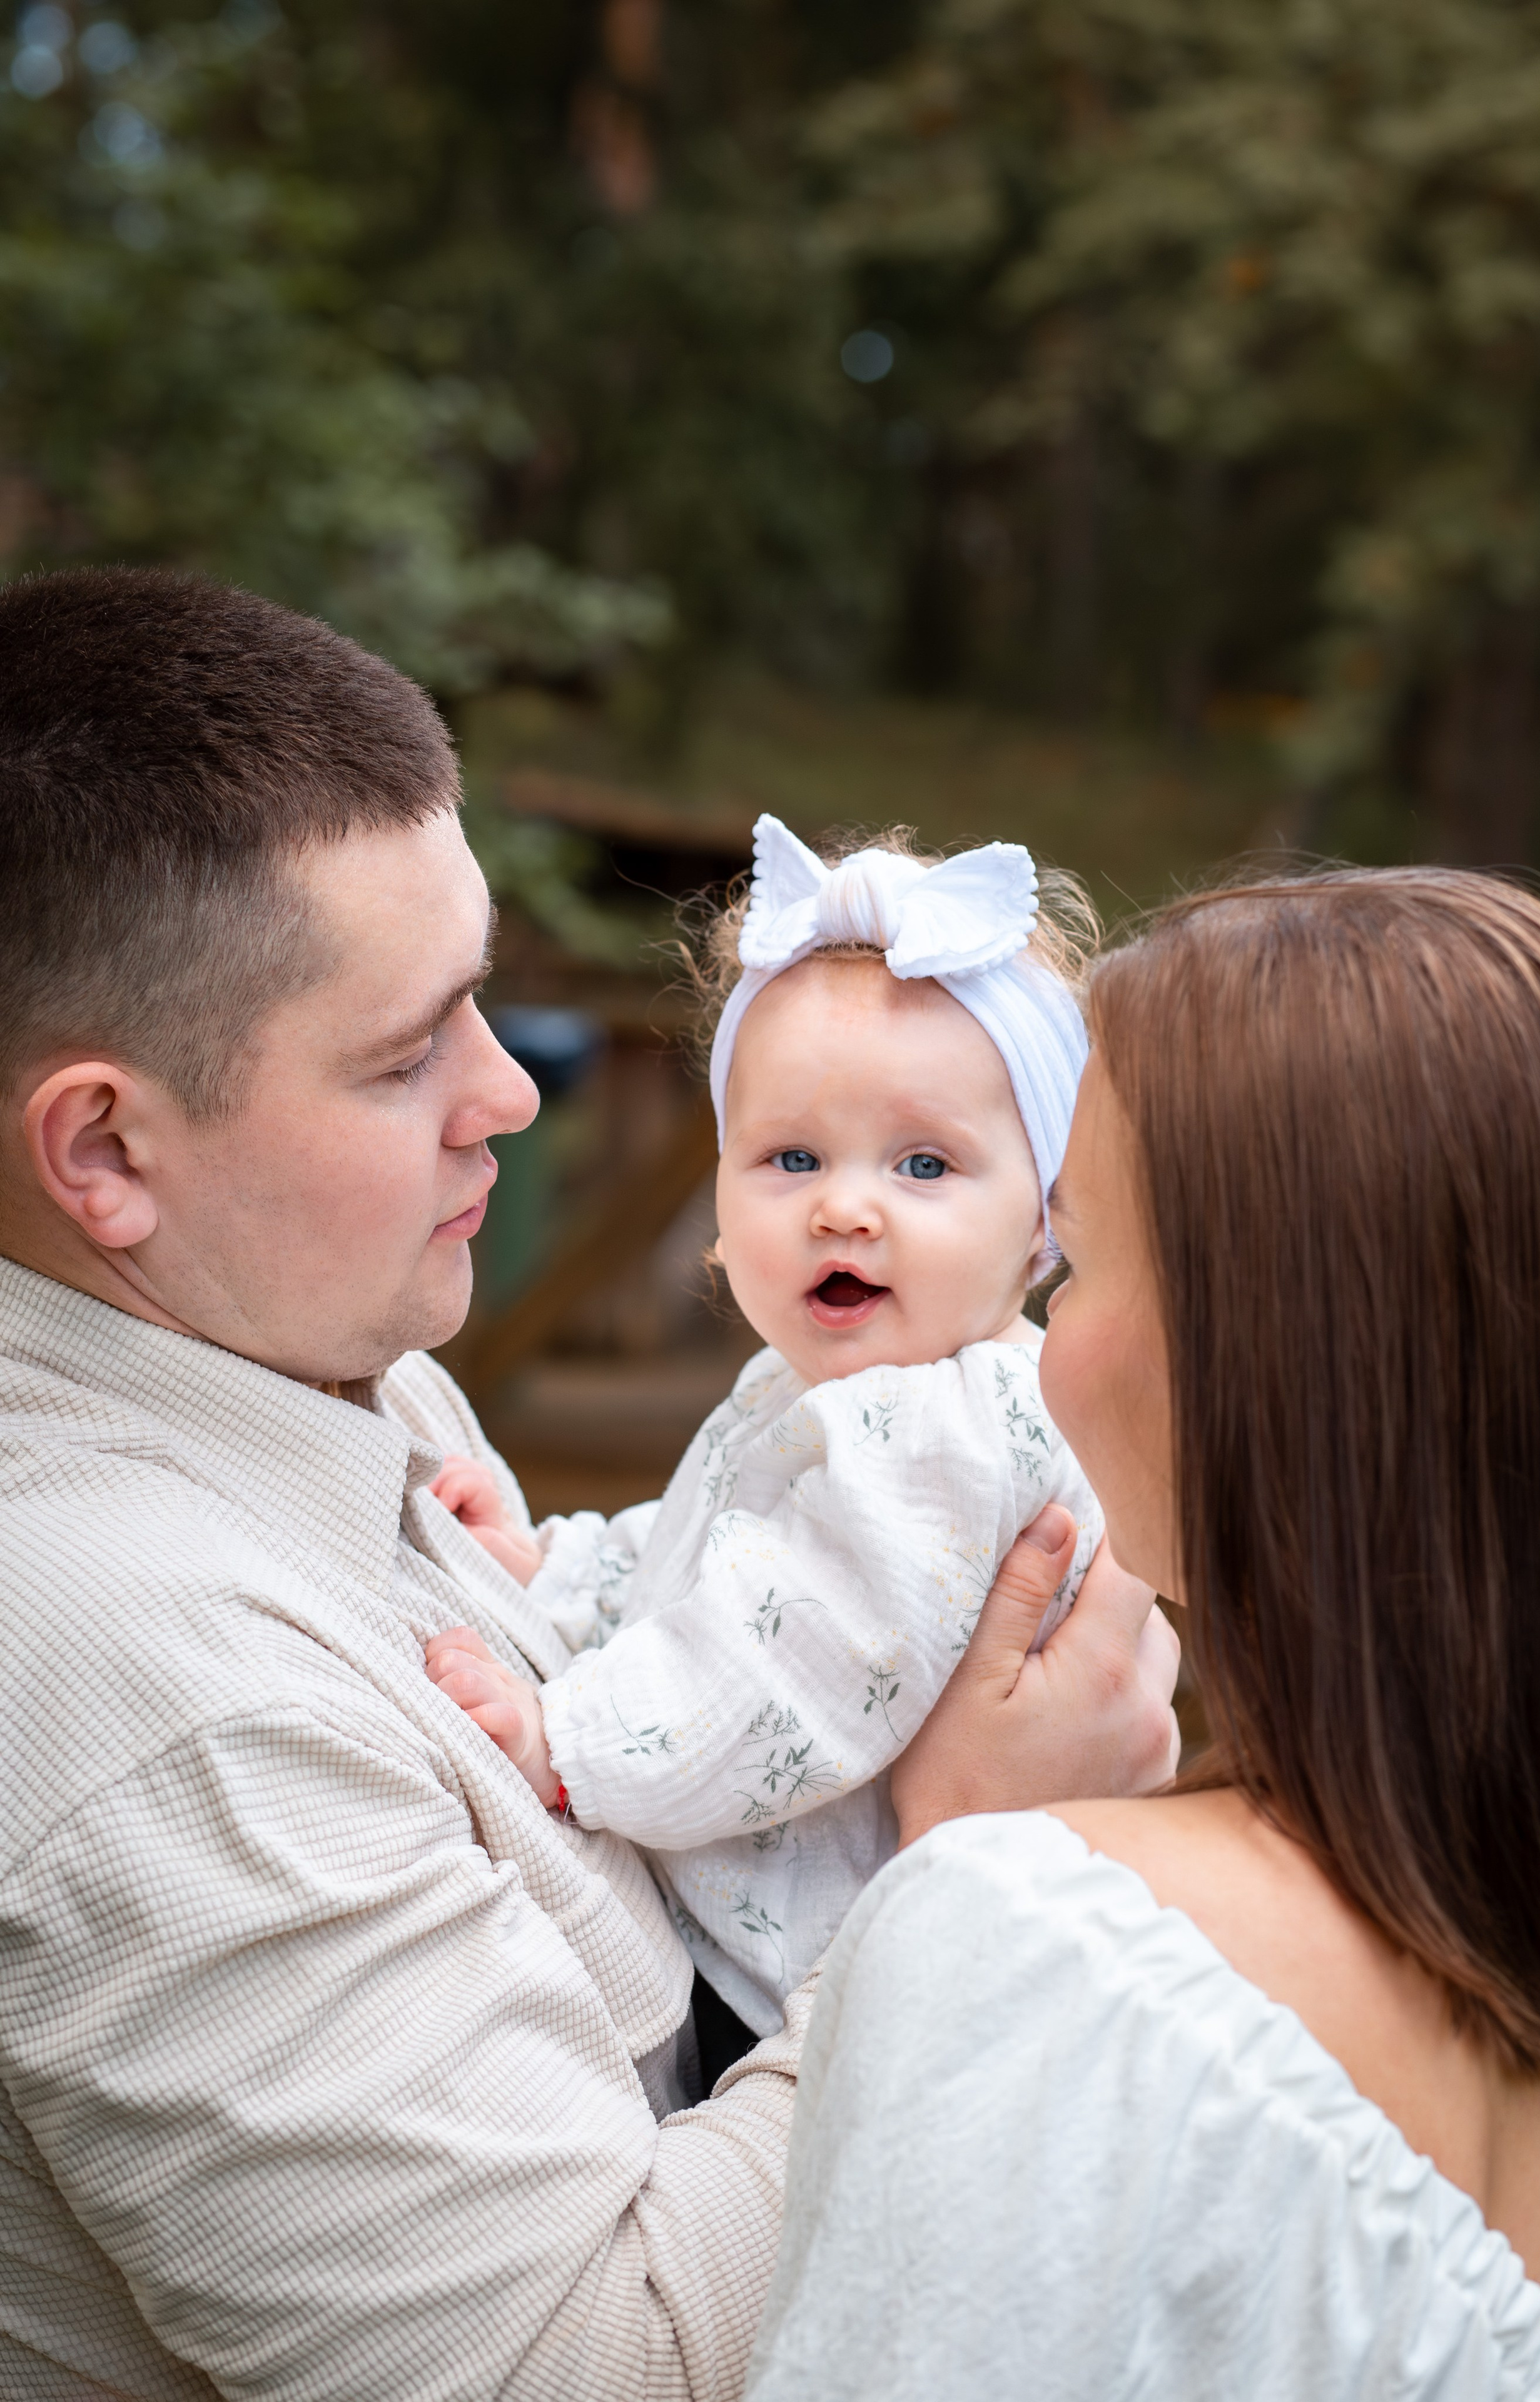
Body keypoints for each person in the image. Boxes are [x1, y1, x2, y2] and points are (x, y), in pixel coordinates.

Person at [0, 565, 1180, 2401]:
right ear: (107, 1150)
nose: (513, 1096)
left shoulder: (351, 1368)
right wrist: (980, 1876)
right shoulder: (160, 1695)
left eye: (483, 1005)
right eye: (407, 1056)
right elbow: (574, 2367)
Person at [746, 869, 1540, 2400]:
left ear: (1249, 1359)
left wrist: (944, 1849)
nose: (1038, 1344)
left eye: (1064, 1262)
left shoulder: (1047, 1953)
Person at [422, 812, 1133, 2040]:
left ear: (1043, 1220)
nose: (845, 1209)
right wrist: (565, 1569)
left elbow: (804, 1657)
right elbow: (732, 1558)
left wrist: (565, 1739)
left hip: (798, 1973)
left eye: (922, 1168)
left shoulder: (947, 1427)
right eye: (791, 1158)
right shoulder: (836, 1389)